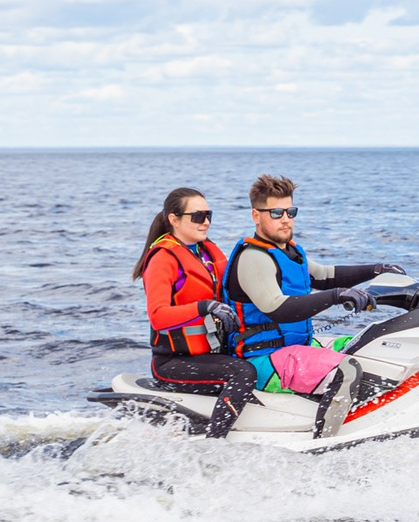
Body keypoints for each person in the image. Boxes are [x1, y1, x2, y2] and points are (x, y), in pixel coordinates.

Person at [223, 174, 402, 391]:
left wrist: (376, 269)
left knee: (370, 346)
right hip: (263, 360)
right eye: (276, 213)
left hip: (296, 348)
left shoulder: (290, 251)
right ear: (256, 216)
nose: (286, 219)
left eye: (291, 212)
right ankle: (327, 426)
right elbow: (278, 308)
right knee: (347, 371)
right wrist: (336, 296)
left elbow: (325, 275)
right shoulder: (254, 258)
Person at [133, 187, 257, 438]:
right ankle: (214, 443)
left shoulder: (205, 253)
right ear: (174, 219)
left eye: (208, 214)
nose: (206, 222)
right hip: (173, 363)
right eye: (198, 216)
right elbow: (158, 317)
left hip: (211, 353)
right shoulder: (162, 259)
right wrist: (204, 307)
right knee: (243, 372)